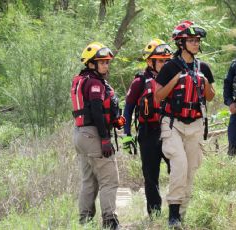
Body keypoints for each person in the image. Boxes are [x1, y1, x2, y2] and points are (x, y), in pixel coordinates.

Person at [154, 20, 215, 229]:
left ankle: (181, 215)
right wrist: (175, 80)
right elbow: (157, 97)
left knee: (190, 170)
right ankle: (172, 214)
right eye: (191, 40)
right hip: (173, 124)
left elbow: (211, 96)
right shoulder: (170, 67)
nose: (196, 43)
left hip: (196, 124)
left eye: (197, 40)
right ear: (181, 43)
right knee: (179, 165)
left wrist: (205, 82)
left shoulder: (204, 67)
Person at [71, 42, 125, 230]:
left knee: (89, 180)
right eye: (101, 62)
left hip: (80, 135)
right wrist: (104, 138)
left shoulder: (81, 79)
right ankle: (110, 221)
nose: (105, 66)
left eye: (107, 62)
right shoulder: (94, 83)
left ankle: (84, 221)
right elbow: (95, 110)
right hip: (93, 134)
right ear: (91, 64)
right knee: (109, 180)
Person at [122, 38, 171, 217]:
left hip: (170, 131)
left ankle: (176, 209)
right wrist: (126, 134)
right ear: (150, 61)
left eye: (167, 60)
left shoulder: (173, 79)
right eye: (161, 60)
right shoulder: (140, 81)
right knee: (151, 176)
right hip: (148, 133)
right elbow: (128, 110)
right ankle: (155, 214)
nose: (165, 64)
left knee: (178, 169)